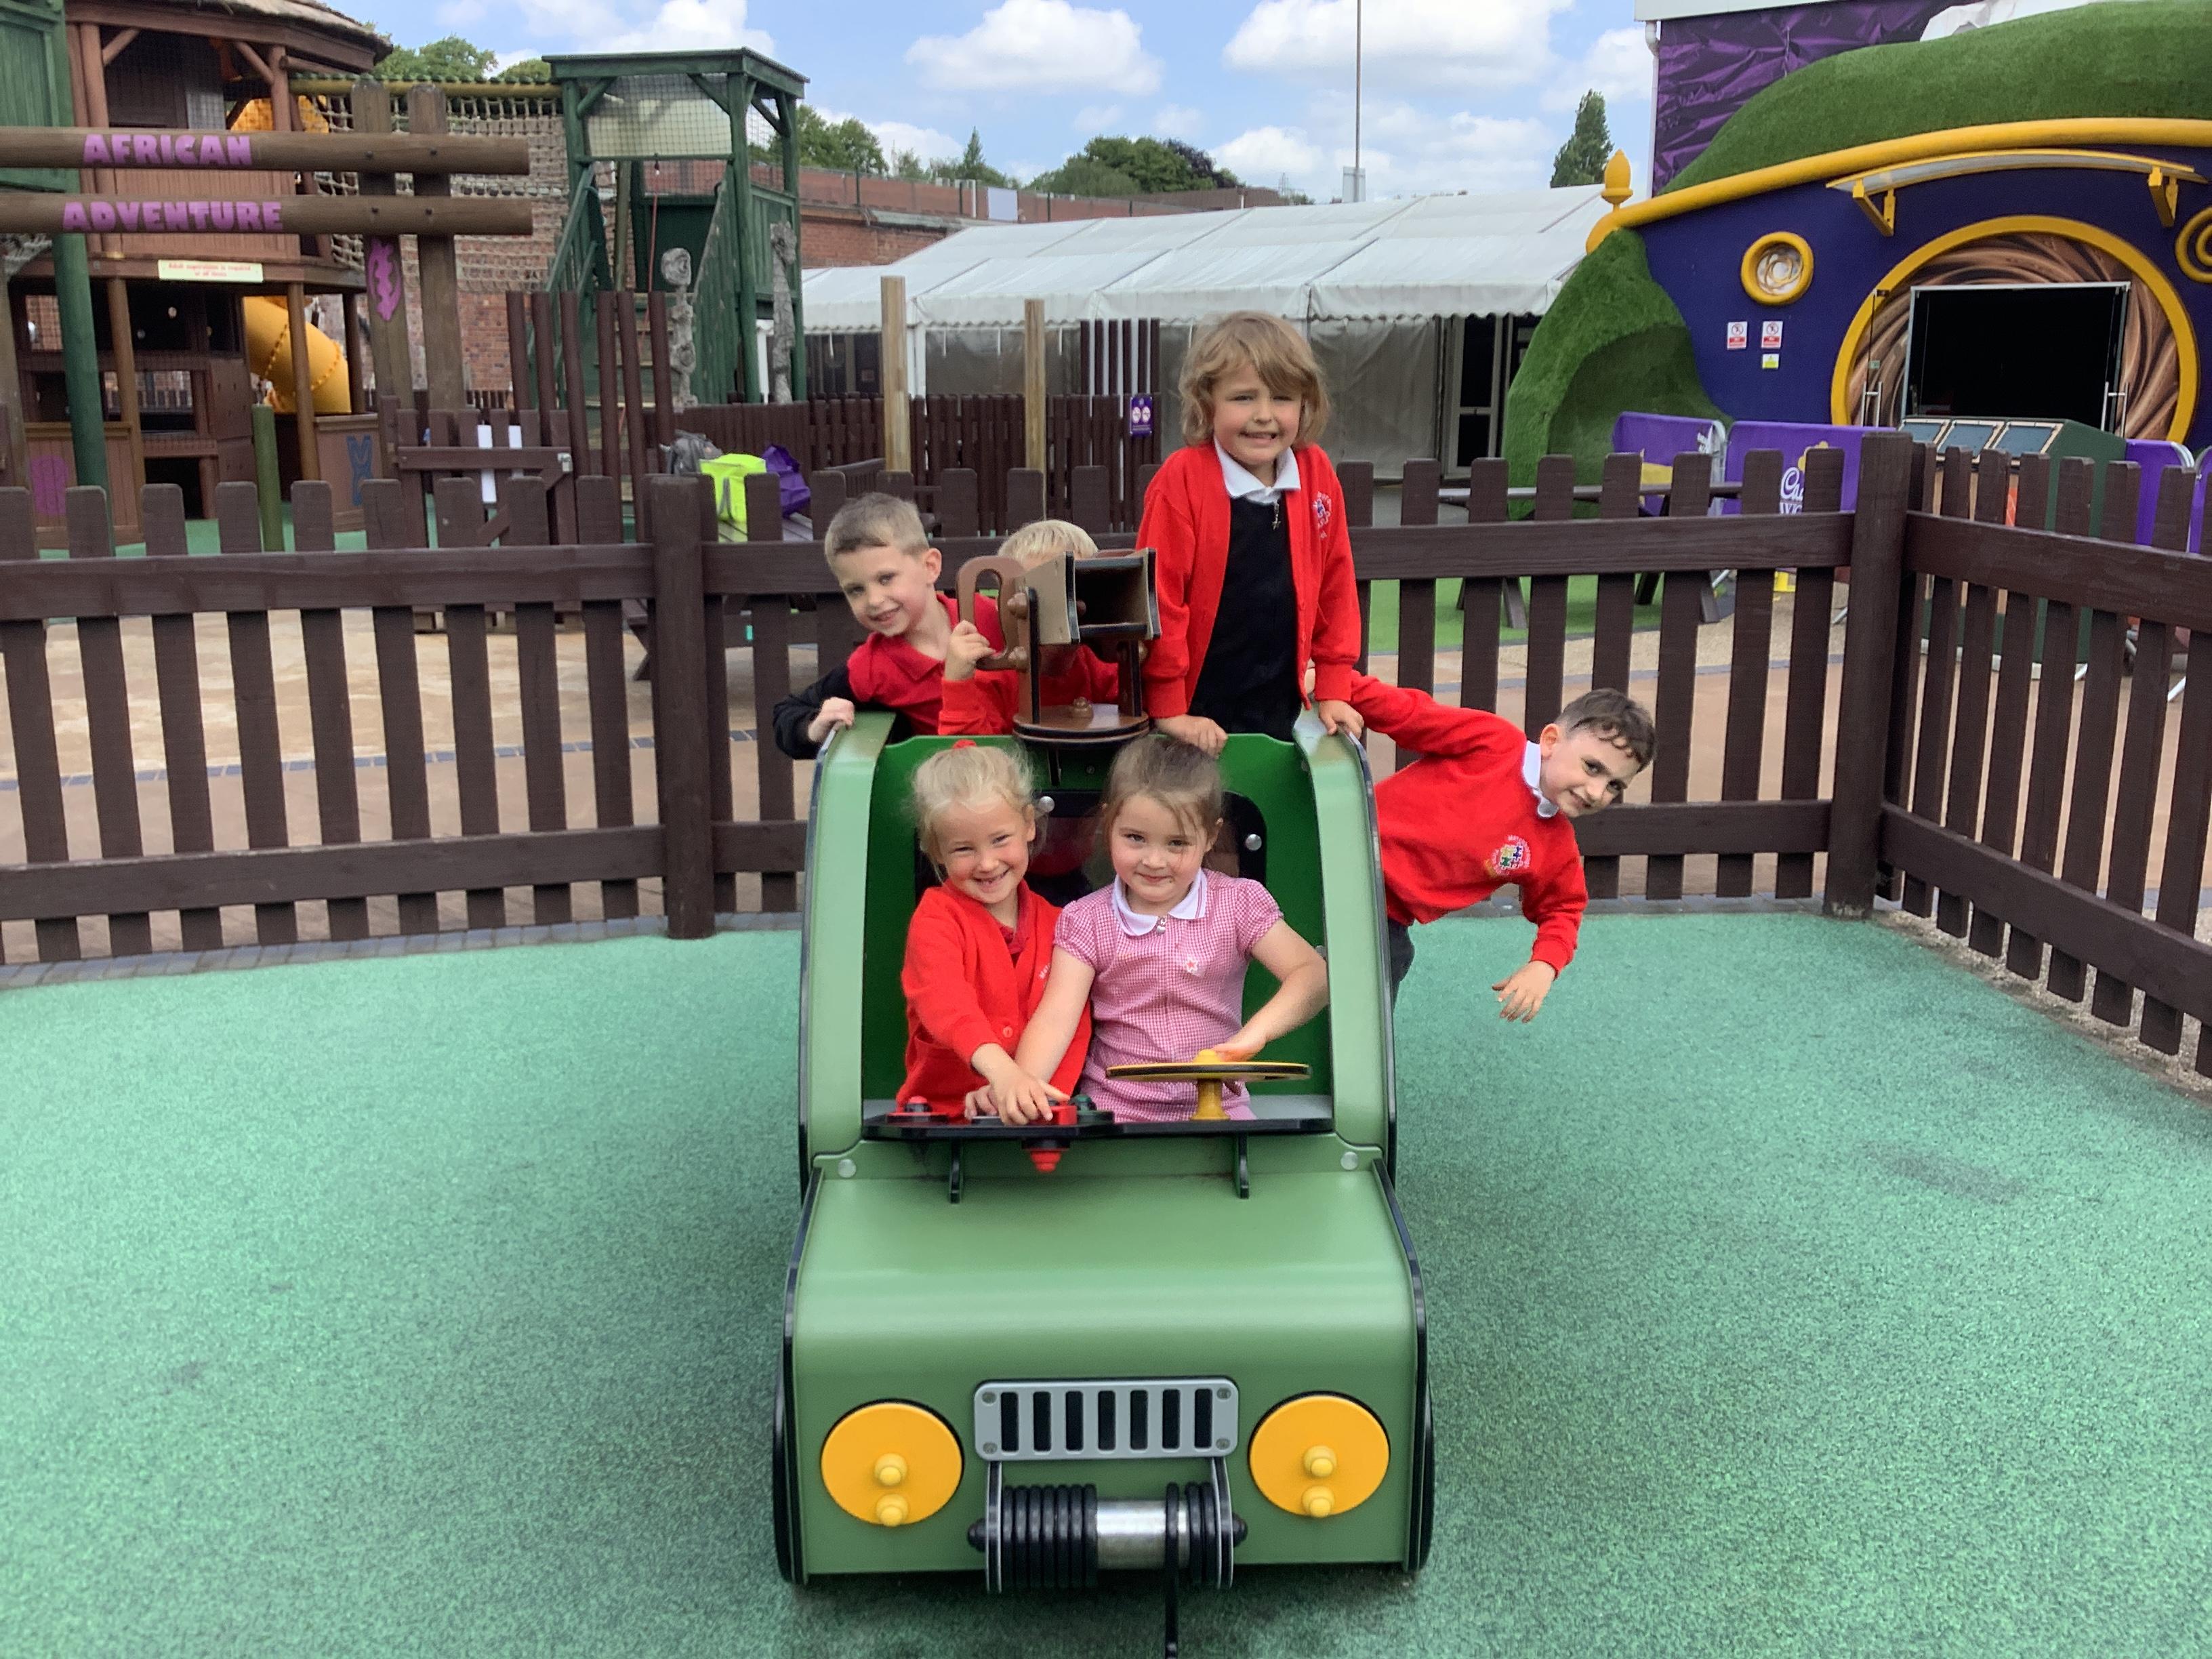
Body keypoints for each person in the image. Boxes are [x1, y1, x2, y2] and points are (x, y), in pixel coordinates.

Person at [1008, 734, 1328, 1124]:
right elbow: (1057, 1017)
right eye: (1135, 838)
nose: (1154, 860)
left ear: (1210, 836)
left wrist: (1255, 1034)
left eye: (1177, 843)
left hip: (1219, 1104)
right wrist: (1021, 1085)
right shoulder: (1087, 920)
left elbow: (1313, 975)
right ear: (1108, 825)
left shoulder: (1236, 904)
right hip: (1115, 1108)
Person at [1350, 676, 1655, 1020]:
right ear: (1551, 741)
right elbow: (1410, 715)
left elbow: (1563, 908)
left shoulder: (1554, 844)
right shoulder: (1494, 742)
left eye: (1614, 785)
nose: (1597, 792)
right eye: (1592, 767)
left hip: (1384, 914)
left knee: (1388, 962)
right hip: (1343, 851)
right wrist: (1341, 686)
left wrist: (1545, 964)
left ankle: (1348, 1051)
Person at [1133, 310, 1364, 753]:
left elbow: (1335, 586)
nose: (1264, 416)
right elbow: (1159, 600)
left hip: (1278, 707)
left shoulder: (1316, 473)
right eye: (1243, 398)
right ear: (1208, 404)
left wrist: (1334, 686)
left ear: (1305, 403)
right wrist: (1169, 708)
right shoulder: (1182, 481)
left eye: (1281, 398)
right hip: (1193, 711)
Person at [896, 742, 1088, 1122]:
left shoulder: (1060, 923)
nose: (987, 863)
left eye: (1000, 840)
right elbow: (946, 1003)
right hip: (947, 1120)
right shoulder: (936, 918)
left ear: (1029, 824)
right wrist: (1004, 1074)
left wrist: (1019, 1086)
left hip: (1044, 1120)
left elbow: (1067, 1017)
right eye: (964, 849)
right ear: (936, 850)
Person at [771, 493, 1002, 758]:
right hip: (954, 775)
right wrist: (814, 727)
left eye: (886, 579)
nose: (874, 600)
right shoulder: (871, 667)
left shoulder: (988, 615)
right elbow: (787, 713)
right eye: (856, 590)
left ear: (930, 566)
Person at [939, 518, 1121, 736]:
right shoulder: (997, 680)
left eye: (1077, 589)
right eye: (1049, 592)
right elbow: (969, 751)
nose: (1071, 607)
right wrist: (958, 682)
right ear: (1009, 606)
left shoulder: (1101, 666)